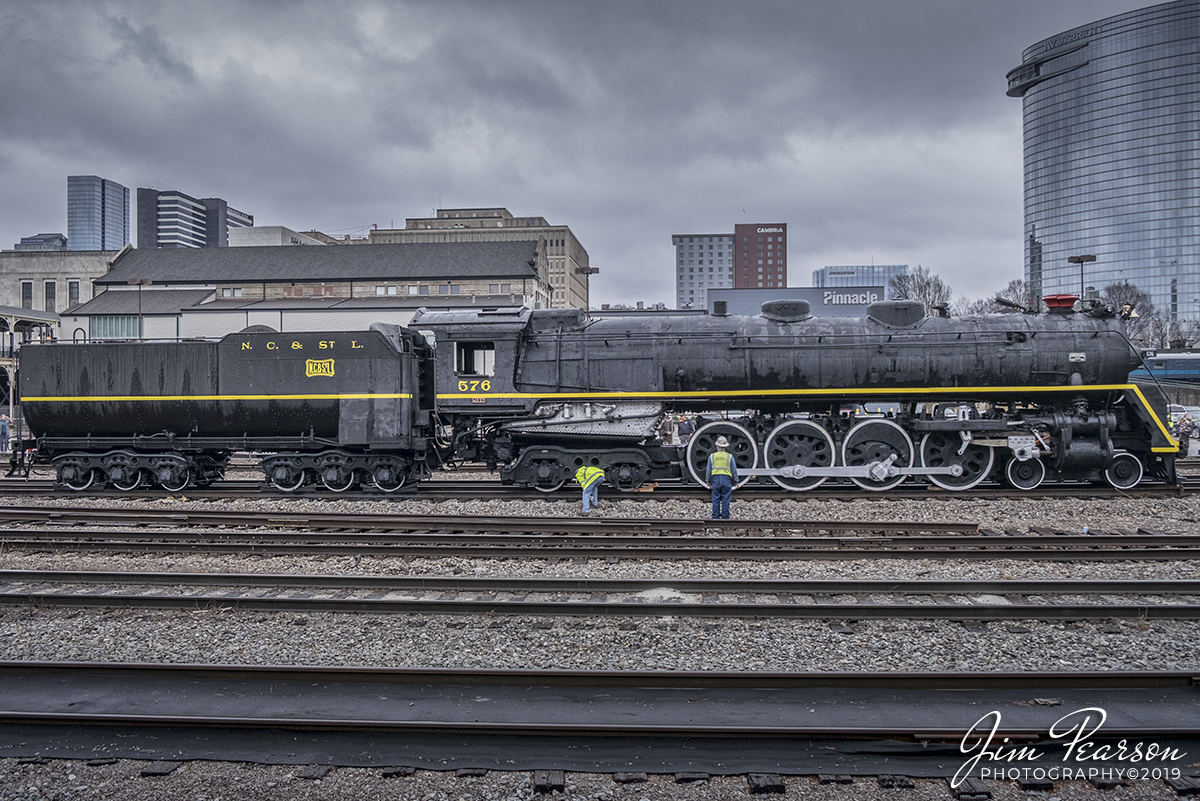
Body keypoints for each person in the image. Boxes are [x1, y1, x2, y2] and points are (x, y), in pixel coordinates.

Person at [705, 436, 739, 520]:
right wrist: (736, 481)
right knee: (726, 500)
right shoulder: (729, 457)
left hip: (715, 480)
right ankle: (725, 518)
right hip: (726, 480)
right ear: (725, 446)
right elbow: (734, 470)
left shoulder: (712, 456)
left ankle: (715, 518)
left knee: (716, 499)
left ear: (717, 446)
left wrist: (708, 481)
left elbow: (708, 470)